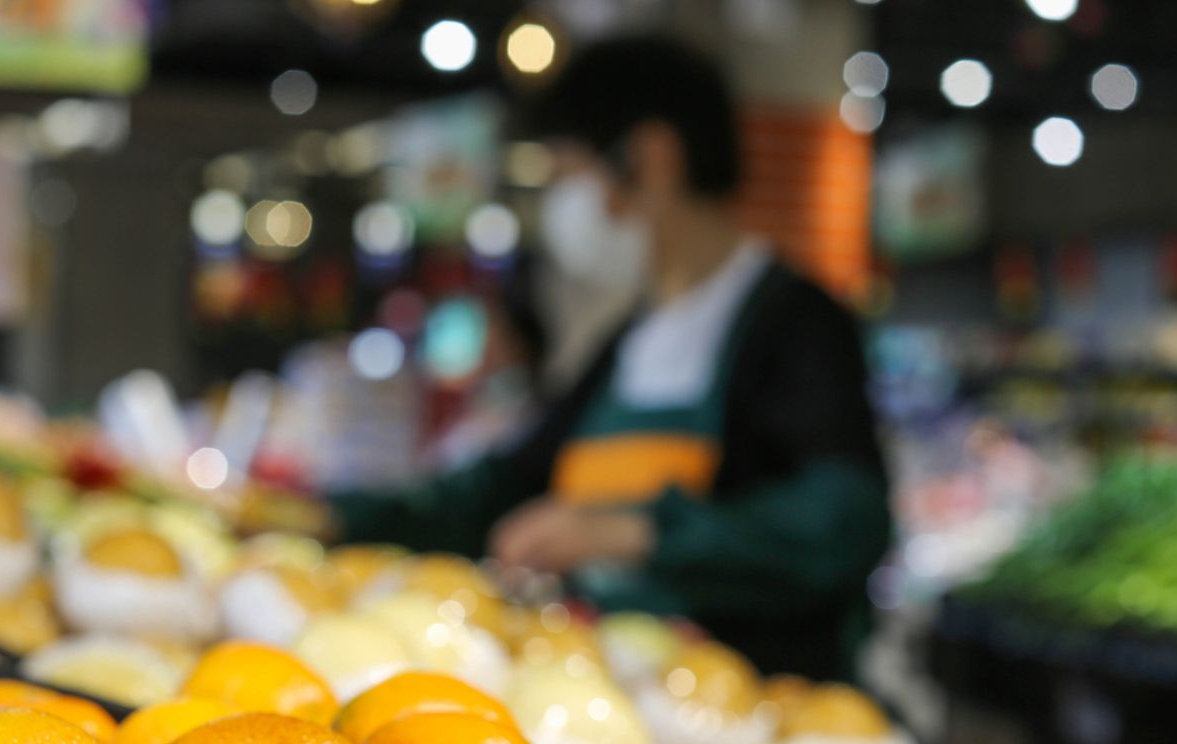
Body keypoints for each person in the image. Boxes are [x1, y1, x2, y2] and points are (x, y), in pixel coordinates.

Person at [328, 34, 891, 682]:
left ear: (648, 158)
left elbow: (845, 519)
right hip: (611, 700)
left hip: (754, 712)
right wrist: (336, 515)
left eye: (569, 173)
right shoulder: (632, 337)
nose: (561, 207)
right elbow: (507, 484)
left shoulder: (795, 324)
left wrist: (637, 532)